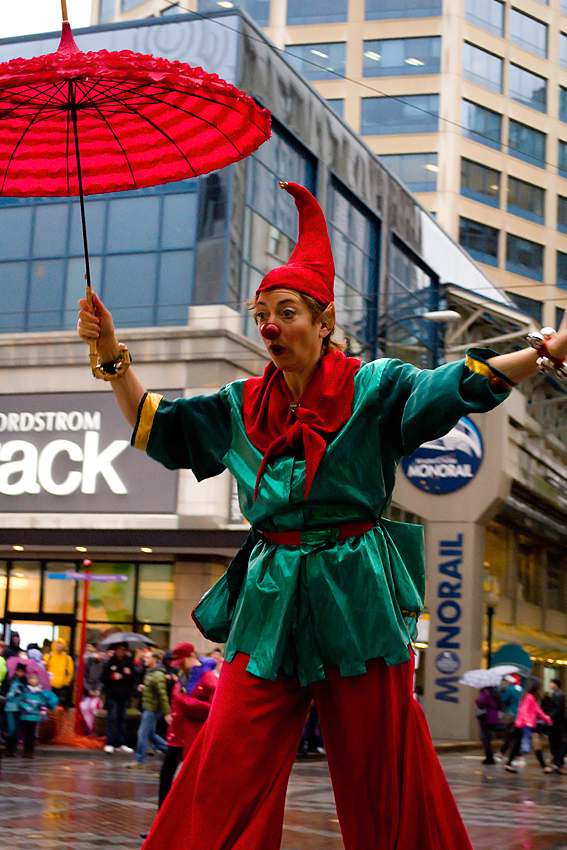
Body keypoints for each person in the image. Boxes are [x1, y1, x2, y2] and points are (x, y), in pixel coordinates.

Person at [78, 180, 567, 850]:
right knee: (226, 758)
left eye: (285, 311)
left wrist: (542, 352)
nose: (270, 327)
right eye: (261, 315)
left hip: (355, 590)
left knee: (381, 768)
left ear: (323, 320)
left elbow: (454, 386)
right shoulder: (238, 402)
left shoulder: (376, 387)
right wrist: (110, 357)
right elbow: (157, 427)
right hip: (271, 593)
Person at [157, 643, 212, 809]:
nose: (179, 665)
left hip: (193, 738)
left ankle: (175, 826)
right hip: (178, 737)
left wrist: (186, 701)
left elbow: (216, 707)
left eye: (182, 660)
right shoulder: (183, 677)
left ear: (191, 656)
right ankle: (162, 826)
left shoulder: (207, 677)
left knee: (186, 783)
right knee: (166, 778)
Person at [129, 650, 171, 768]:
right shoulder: (151, 672)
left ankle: (139, 760)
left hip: (152, 709)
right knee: (150, 734)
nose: (144, 659)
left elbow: (162, 695)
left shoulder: (157, 675)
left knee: (143, 733)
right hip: (149, 707)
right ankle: (171, 752)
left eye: (147, 657)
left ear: (155, 659)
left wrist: (166, 712)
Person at [505, 680, 553, 773]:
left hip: (523, 724)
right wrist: (528, 722)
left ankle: (508, 764)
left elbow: (537, 710)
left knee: (517, 744)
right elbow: (524, 710)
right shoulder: (529, 697)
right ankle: (543, 766)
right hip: (526, 725)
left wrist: (547, 719)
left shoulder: (529, 697)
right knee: (535, 745)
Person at [101, 642, 134, 754]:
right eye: (119, 649)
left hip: (124, 695)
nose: (121, 652)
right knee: (111, 718)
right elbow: (103, 678)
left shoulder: (129, 662)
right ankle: (109, 742)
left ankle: (121, 742)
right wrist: (112, 677)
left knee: (122, 720)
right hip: (113, 695)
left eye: (123, 649)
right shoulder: (110, 662)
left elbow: (135, 677)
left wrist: (129, 674)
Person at [17, 671, 55, 758]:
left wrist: (43, 709)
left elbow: (43, 703)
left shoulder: (41, 692)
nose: (33, 680)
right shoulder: (25, 690)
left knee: (32, 733)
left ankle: (30, 751)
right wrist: (25, 706)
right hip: (26, 715)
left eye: (34, 679)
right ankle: (26, 751)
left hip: (35, 716)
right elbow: (21, 700)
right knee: (27, 733)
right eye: (31, 678)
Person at [496, 673, 523, 762]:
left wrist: (502, 692)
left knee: (508, 735)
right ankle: (519, 755)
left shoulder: (510, 689)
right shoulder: (521, 689)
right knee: (517, 736)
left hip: (511, 714)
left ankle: (502, 753)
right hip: (520, 715)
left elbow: (503, 700)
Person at [80, 647, 106, 735]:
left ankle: (92, 729)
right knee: (85, 707)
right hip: (88, 691)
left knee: (94, 707)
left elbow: (101, 679)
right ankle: (89, 728)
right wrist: (89, 690)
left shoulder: (103, 664)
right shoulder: (88, 662)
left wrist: (98, 690)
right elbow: (83, 677)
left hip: (95, 691)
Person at [4, 663, 27, 756]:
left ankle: (13, 749)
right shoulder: (11, 681)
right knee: (11, 728)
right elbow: (7, 695)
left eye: (22, 671)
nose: (20, 673)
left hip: (20, 708)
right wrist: (14, 693)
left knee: (17, 730)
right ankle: (8, 749)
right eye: (18, 671)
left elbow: (25, 696)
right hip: (10, 707)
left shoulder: (25, 683)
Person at [43, 638, 74, 706]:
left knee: (57, 705)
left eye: (61, 644)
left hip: (61, 686)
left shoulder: (67, 658)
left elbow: (70, 672)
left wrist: (65, 682)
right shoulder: (48, 656)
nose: (59, 646)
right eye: (57, 643)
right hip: (49, 685)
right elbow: (43, 670)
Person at [476, 686, 501, 765]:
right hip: (494, 717)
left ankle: (489, 758)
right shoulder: (495, 692)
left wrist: (477, 701)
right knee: (489, 737)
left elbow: (481, 702)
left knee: (485, 738)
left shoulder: (485, 691)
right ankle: (491, 756)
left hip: (486, 717)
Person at [548, 678, 566, 760]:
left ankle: (557, 757)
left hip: (556, 721)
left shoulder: (558, 694)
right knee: (555, 739)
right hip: (557, 720)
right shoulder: (557, 694)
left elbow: (558, 708)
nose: (550, 685)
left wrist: (550, 716)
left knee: (555, 739)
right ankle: (556, 757)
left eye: (551, 683)